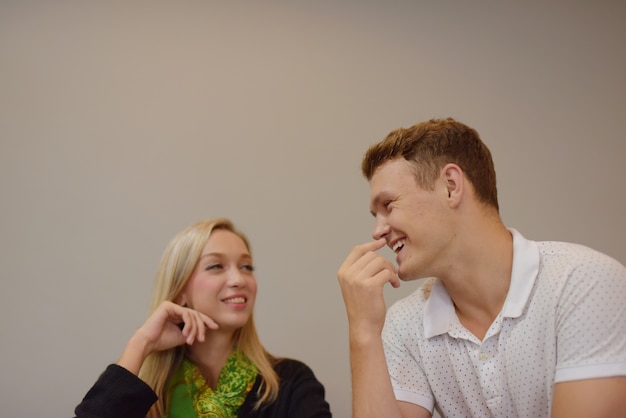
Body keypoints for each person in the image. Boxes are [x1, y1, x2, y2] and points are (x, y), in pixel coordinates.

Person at [337, 118, 626, 418]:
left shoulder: (583, 283)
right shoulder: (405, 324)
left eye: (389, 205)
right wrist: (364, 331)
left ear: (450, 186)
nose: (378, 231)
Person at [75, 218, 332, 418]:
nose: (238, 279)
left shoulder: (290, 383)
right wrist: (141, 343)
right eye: (216, 266)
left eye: (246, 267)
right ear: (180, 291)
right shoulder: (142, 392)